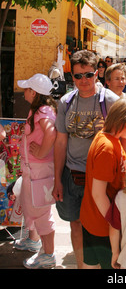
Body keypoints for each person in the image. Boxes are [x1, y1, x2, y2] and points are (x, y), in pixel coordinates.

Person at [52, 50, 119, 269]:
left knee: (103, 223)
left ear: (97, 73)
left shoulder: (110, 100)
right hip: (73, 174)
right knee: (76, 224)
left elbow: (123, 137)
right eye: (78, 76)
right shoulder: (66, 102)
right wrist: (57, 179)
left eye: (88, 75)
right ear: (72, 76)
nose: (83, 80)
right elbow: (61, 141)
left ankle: (108, 265)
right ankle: (83, 266)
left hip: (101, 176)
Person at [79, 96, 126, 269]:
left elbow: (122, 163)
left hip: (93, 220)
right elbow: (98, 193)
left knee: (91, 264)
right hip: (102, 226)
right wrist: (115, 223)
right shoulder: (107, 149)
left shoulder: (109, 138)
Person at [14, 73, 57, 269]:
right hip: (35, 169)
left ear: (33, 92)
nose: (24, 91)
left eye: (26, 88)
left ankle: (48, 254)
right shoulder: (41, 110)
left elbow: (50, 132)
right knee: (34, 207)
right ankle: (34, 242)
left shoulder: (42, 111)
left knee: (41, 212)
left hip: (38, 170)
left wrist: (40, 152)